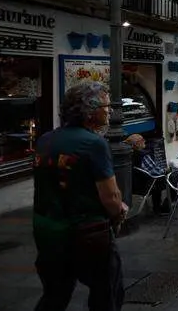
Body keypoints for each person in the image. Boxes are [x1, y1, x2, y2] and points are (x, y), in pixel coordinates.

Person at [33, 81, 127, 310]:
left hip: (47, 231)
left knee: (55, 294)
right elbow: (110, 197)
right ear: (90, 111)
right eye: (106, 105)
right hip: (87, 233)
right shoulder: (94, 143)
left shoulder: (45, 139)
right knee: (107, 293)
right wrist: (119, 212)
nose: (109, 111)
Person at [125, 134, 168, 215]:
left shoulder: (129, 155)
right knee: (168, 179)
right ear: (137, 144)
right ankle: (162, 208)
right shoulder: (143, 155)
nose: (145, 141)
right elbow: (156, 172)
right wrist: (166, 170)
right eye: (142, 140)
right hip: (145, 184)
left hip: (134, 184)